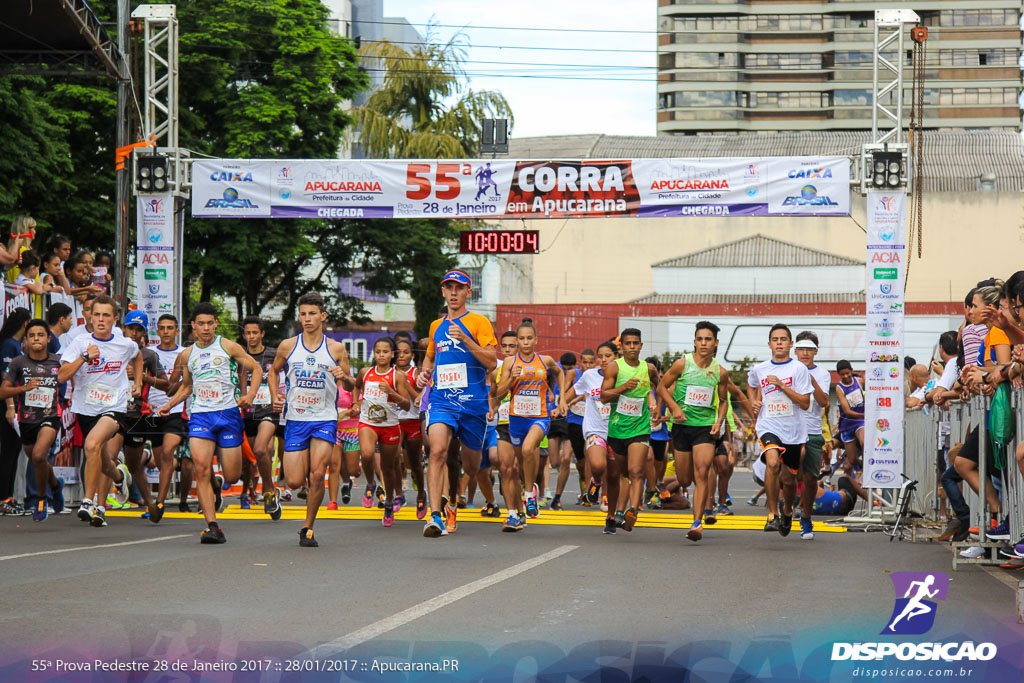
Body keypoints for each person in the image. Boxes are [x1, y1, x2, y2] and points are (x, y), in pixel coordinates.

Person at [157, 302, 262, 544]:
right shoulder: (187, 354)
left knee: (232, 476)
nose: (206, 328)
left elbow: (255, 369)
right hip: (201, 416)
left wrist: (249, 395)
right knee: (201, 469)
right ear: (193, 326)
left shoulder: (227, 346)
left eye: (210, 323)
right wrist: (169, 405)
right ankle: (213, 526)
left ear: (216, 324)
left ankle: (218, 483)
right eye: (201, 324)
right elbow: (187, 387)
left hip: (228, 415)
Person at [416, 270, 497, 538]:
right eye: (448, 288)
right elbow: (429, 358)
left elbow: (491, 361)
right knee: (437, 451)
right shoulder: (435, 326)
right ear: (443, 292)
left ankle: (453, 502)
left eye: (459, 288)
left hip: (473, 404)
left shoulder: (479, 322)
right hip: (442, 400)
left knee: (471, 467)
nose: (453, 292)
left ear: (467, 293)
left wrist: (465, 338)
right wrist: (424, 372)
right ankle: (435, 515)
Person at [268, 293, 351, 547]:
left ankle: (308, 527)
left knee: (317, 474)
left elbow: (351, 383)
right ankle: (284, 490)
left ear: (322, 316)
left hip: (325, 418)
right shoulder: (288, 345)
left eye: (312, 313)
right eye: (303, 314)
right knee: (293, 480)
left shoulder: (336, 348)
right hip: (296, 418)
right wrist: (275, 395)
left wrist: (343, 376)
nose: (307, 318)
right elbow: (273, 372)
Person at [59, 296, 142, 528]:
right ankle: (119, 477)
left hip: (114, 407)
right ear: (90, 317)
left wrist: (138, 383)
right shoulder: (79, 342)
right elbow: (62, 376)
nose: (101, 319)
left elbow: (138, 357)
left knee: (92, 444)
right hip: (86, 408)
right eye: (97, 315)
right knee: (104, 460)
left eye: (107, 315)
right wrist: (85, 357)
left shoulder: (124, 343)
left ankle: (88, 501)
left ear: (115, 319)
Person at [657, 321, 729, 542]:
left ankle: (697, 523)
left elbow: (724, 401)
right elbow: (661, 388)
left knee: (702, 471)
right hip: (681, 428)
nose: (703, 343)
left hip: (705, 428)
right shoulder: (682, 364)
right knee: (685, 479)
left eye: (708, 339)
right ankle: (677, 488)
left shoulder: (721, 372)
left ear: (716, 343)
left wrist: (719, 421)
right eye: (700, 339)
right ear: (695, 341)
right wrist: (675, 407)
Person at [495, 318, 566, 520]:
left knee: (528, 450)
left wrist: (561, 400)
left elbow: (560, 373)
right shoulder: (510, 363)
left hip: (539, 417)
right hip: (516, 419)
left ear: (536, 340)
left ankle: (529, 494)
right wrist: (511, 378)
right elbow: (499, 394)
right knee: (519, 462)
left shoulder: (545, 360)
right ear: (517, 341)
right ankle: (529, 488)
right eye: (521, 339)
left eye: (529, 338)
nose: (525, 342)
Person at [746, 324, 812, 536]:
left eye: (783, 339)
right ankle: (772, 514)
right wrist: (754, 402)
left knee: (789, 480)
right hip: (768, 425)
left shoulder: (798, 369)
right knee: (772, 463)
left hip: (792, 431)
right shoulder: (761, 369)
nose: (779, 343)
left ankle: (786, 510)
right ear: (769, 344)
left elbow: (805, 403)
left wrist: (783, 387)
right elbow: (751, 384)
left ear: (790, 344)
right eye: (775, 339)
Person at [0, 319, 65, 522]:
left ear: (48, 338)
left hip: (51, 417)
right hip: (27, 420)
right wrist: (23, 389)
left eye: (40, 335)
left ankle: (41, 500)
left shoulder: (58, 361)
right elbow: (3, 391)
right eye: (31, 335)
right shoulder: (19, 363)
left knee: (38, 456)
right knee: (38, 461)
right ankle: (55, 485)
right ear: (25, 340)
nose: (36, 339)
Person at [600, 328, 659, 532]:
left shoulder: (649, 369)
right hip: (617, 430)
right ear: (622, 347)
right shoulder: (614, 368)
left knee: (636, 471)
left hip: (640, 428)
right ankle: (614, 513)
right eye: (628, 344)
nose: (632, 347)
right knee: (620, 474)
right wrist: (623, 387)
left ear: (641, 346)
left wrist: (658, 408)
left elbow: (658, 388)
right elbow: (604, 397)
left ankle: (632, 510)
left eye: (636, 343)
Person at [354, 337, 412, 528]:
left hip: (390, 425)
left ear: (392, 355)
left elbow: (405, 403)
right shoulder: (366, 372)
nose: (381, 355)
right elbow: (356, 386)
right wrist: (356, 402)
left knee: (387, 468)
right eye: (378, 351)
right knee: (367, 454)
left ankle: (388, 502)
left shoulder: (397, 376)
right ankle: (370, 484)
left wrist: (391, 391)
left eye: (385, 352)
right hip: (367, 423)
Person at [121, 311, 169, 519]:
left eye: (139, 329)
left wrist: (143, 377)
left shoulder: (149, 355)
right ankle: (99, 506)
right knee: (105, 452)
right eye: (131, 328)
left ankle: (150, 504)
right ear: (123, 328)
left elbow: (166, 385)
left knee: (133, 465)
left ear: (144, 333)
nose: (134, 333)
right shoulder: (112, 349)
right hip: (112, 411)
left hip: (136, 415)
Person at [567, 341, 616, 533]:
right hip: (595, 429)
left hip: (617, 431)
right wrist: (563, 402)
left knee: (614, 477)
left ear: (616, 357)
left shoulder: (623, 377)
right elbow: (575, 390)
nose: (604, 360)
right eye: (601, 356)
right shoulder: (589, 376)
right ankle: (595, 481)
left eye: (608, 356)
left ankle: (611, 517)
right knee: (597, 465)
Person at [147, 314, 193, 516]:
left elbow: (187, 385)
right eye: (162, 328)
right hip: (152, 412)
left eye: (170, 328)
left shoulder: (185, 354)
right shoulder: (148, 354)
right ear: (157, 331)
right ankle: (213, 484)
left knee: (169, 453)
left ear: (177, 331)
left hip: (177, 411)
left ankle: (159, 503)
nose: (166, 331)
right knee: (163, 461)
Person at [240, 316, 283, 519]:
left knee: (261, 448)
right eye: (247, 333)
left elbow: (291, 373)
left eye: (255, 332)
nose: (251, 336)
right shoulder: (239, 355)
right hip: (248, 412)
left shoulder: (274, 355)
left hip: (269, 409)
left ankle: (267, 490)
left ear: (262, 334)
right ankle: (269, 489)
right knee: (257, 455)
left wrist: (281, 395)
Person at [793, 331, 832, 541]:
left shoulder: (823, 374)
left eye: (809, 349)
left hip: (814, 431)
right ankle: (786, 509)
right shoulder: (787, 370)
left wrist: (811, 380)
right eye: (801, 349)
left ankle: (806, 517)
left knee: (811, 479)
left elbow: (824, 401)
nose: (805, 353)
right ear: (795, 350)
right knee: (789, 471)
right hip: (789, 430)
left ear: (816, 351)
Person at [493, 330, 524, 530]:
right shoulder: (497, 371)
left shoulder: (531, 367)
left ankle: (524, 504)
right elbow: (496, 395)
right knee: (505, 468)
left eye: (511, 346)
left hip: (524, 422)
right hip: (504, 422)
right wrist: (491, 409)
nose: (507, 349)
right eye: (504, 346)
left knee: (518, 470)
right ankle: (512, 514)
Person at [394, 336, 426, 518]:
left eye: (406, 353)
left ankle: (421, 493)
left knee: (414, 464)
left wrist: (406, 384)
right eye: (398, 353)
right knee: (395, 456)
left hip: (413, 421)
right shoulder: (389, 372)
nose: (402, 356)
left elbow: (418, 400)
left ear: (412, 355)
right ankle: (399, 494)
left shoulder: (416, 374)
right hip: (394, 421)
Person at [564, 348, 594, 503]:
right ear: (580, 362)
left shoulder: (596, 375)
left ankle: (589, 493)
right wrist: (564, 401)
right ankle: (584, 487)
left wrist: (581, 397)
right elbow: (565, 392)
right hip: (575, 421)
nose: (588, 365)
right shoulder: (574, 374)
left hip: (591, 423)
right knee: (581, 462)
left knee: (589, 456)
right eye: (585, 362)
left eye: (590, 362)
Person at [548, 351, 576, 510]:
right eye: (564, 369)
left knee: (566, 459)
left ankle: (557, 497)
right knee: (555, 462)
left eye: (569, 369)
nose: (566, 372)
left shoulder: (577, 374)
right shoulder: (554, 370)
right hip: (554, 418)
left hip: (569, 418)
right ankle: (561, 472)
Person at [835, 360, 865, 476]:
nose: (846, 376)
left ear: (852, 371)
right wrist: (864, 415)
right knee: (852, 460)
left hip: (860, 422)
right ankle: (863, 465)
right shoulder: (839, 388)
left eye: (848, 373)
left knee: (864, 442)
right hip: (847, 423)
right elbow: (847, 411)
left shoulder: (859, 381)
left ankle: (869, 469)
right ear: (839, 374)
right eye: (842, 374)